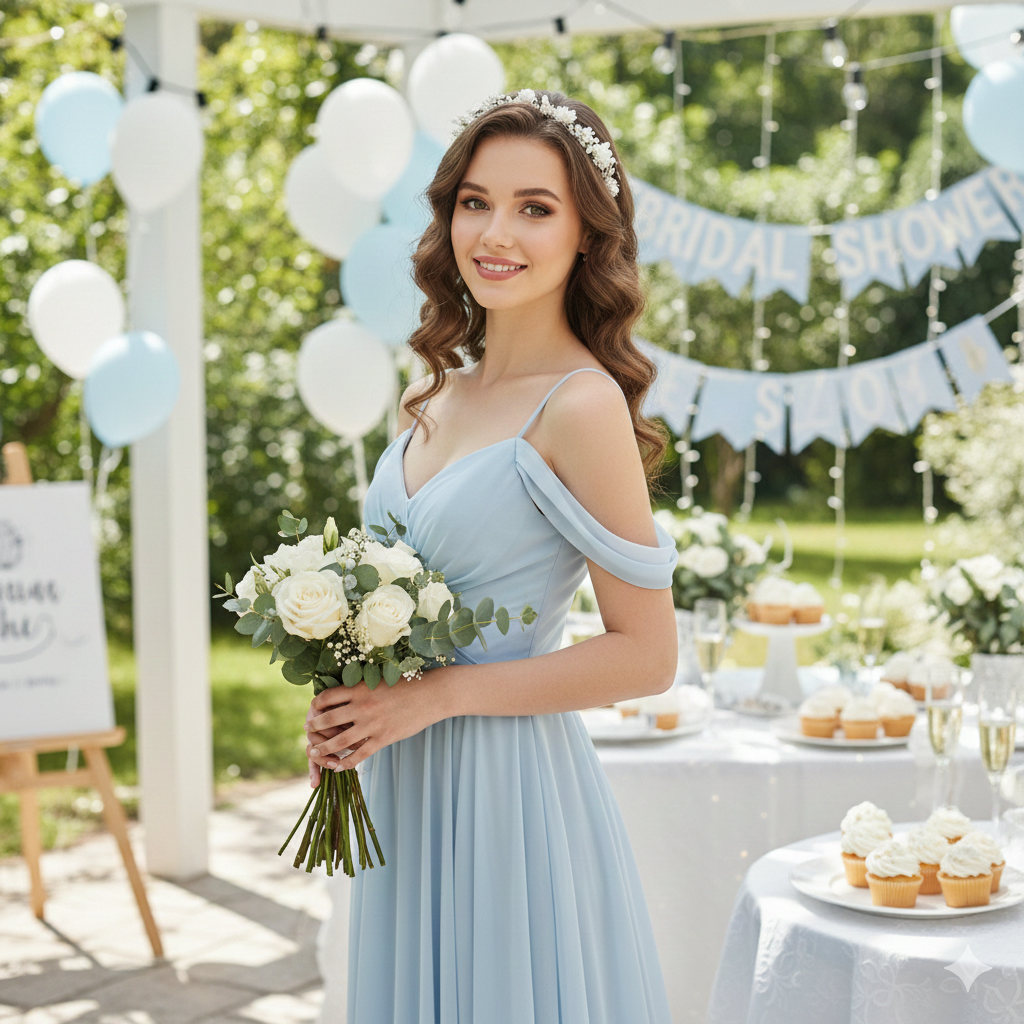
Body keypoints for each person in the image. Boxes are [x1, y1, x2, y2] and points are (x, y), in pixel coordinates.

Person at [305, 89, 678, 1023]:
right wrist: (350, 702)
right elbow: (383, 598)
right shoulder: (426, 398)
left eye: (535, 207)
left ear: (588, 235)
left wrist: (435, 697)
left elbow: (647, 653)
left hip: (507, 795)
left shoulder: (581, 406)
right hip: (403, 780)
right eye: (475, 201)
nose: (495, 232)